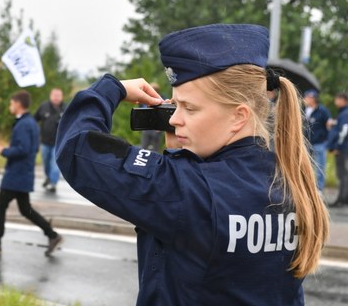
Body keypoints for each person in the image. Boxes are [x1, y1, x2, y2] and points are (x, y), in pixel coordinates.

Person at [56, 24, 329, 305]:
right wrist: (182, 153)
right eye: (175, 107)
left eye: (190, 108)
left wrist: (110, 90)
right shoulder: (295, 184)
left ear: (239, 116)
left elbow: (77, 148)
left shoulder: (188, 189)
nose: (174, 119)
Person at [0, 90, 63, 256]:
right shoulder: (30, 122)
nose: (10, 106)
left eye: (11, 103)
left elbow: (23, 149)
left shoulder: (24, 124)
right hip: (24, 172)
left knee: (0, 205)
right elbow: (33, 148)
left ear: (17, 104)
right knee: (25, 209)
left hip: (16, 173)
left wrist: (5, 151)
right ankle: (52, 235)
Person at [34, 88, 66, 193]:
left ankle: (53, 183)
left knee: (55, 164)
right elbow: (34, 120)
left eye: (58, 95)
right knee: (46, 163)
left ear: (62, 97)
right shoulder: (43, 106)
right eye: (54, 95)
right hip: (45, 142)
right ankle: (48, 177)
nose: (56, 98)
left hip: (59, 143)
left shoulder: (66, 108)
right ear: (50, 96)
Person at [303, 89, 330, 191]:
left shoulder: (322, 110)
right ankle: (308, 188)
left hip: (319, 143)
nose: (305, 99)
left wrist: (326, 139)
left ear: (313, 99)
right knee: (306, 167)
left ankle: (319, 190)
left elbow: (329, 124)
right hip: (307, 143)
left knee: (319, 168)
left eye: (308, 98)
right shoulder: (304, 110)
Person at [327, 92, 348, 207]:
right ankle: (344, 198)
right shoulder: (342, 113)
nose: (336, 101)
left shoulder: (345, 113)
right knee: (344, 173)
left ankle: (341, 199)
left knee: (342, 174)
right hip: (343, 147)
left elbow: (344, 130)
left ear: (344, 100)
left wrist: (337, 147)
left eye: (338, 99)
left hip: (342, 148)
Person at [140, 83, 165, 152]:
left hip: (155, 130)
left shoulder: (162, 101)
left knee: (153, 148)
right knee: (145, 148)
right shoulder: (145, 100)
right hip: (148, 129)